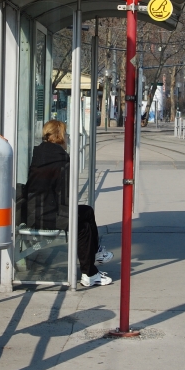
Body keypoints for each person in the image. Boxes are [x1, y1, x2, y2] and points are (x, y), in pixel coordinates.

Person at [25, 120, 113, 287]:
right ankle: (89, 273)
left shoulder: (40, 154)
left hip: (35, 210)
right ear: (60, 136)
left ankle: (95, 255)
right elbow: (66, 197)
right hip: (47, 214)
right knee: (83, 226)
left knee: (87, 211)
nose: (67, 138)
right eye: (65, 135)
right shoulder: (61, 160)